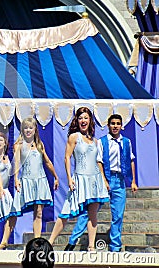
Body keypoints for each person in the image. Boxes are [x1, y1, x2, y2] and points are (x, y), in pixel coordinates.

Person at [64, 114, 138, 252]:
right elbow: (98, 161)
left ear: (121, 126)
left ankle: (115, 246)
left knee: (118, 214)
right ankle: (72, 241)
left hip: (120, 180)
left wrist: (133, 180)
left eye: (118, 123)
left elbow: (131, 160)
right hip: (104, 178)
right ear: (108, 125)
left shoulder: (126, 141)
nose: (115, 126)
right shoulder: (102, 142)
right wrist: (103, 179)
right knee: (89, 211)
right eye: (112, 123)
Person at [48, 107, 109, 251]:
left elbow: (98, 163)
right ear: (77, 120)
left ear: (90, 121)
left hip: (94, 180)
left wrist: (104, 180)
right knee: (66, 211)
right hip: (79, 179)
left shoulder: (95, 141)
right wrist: (69, 178)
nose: (83, 120)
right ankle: (49, 242)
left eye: (86, 118)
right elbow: (67, 157)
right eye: (81, 118)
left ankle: (91, 246)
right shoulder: (74, 137)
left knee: (92, 213)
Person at [12, 117, 59, 238]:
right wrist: (16, 179)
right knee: (15, 211)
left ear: (35, 130)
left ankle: (37, 239)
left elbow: (47, 161)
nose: (28, 130)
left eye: (30, 128)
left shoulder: (39, 144)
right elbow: (16, 162)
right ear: (22, 130)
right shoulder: (18, 145)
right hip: (26, 180)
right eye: (26, 128)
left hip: (40, 180)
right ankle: (5, 240)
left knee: (38, 212)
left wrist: (55, 176)